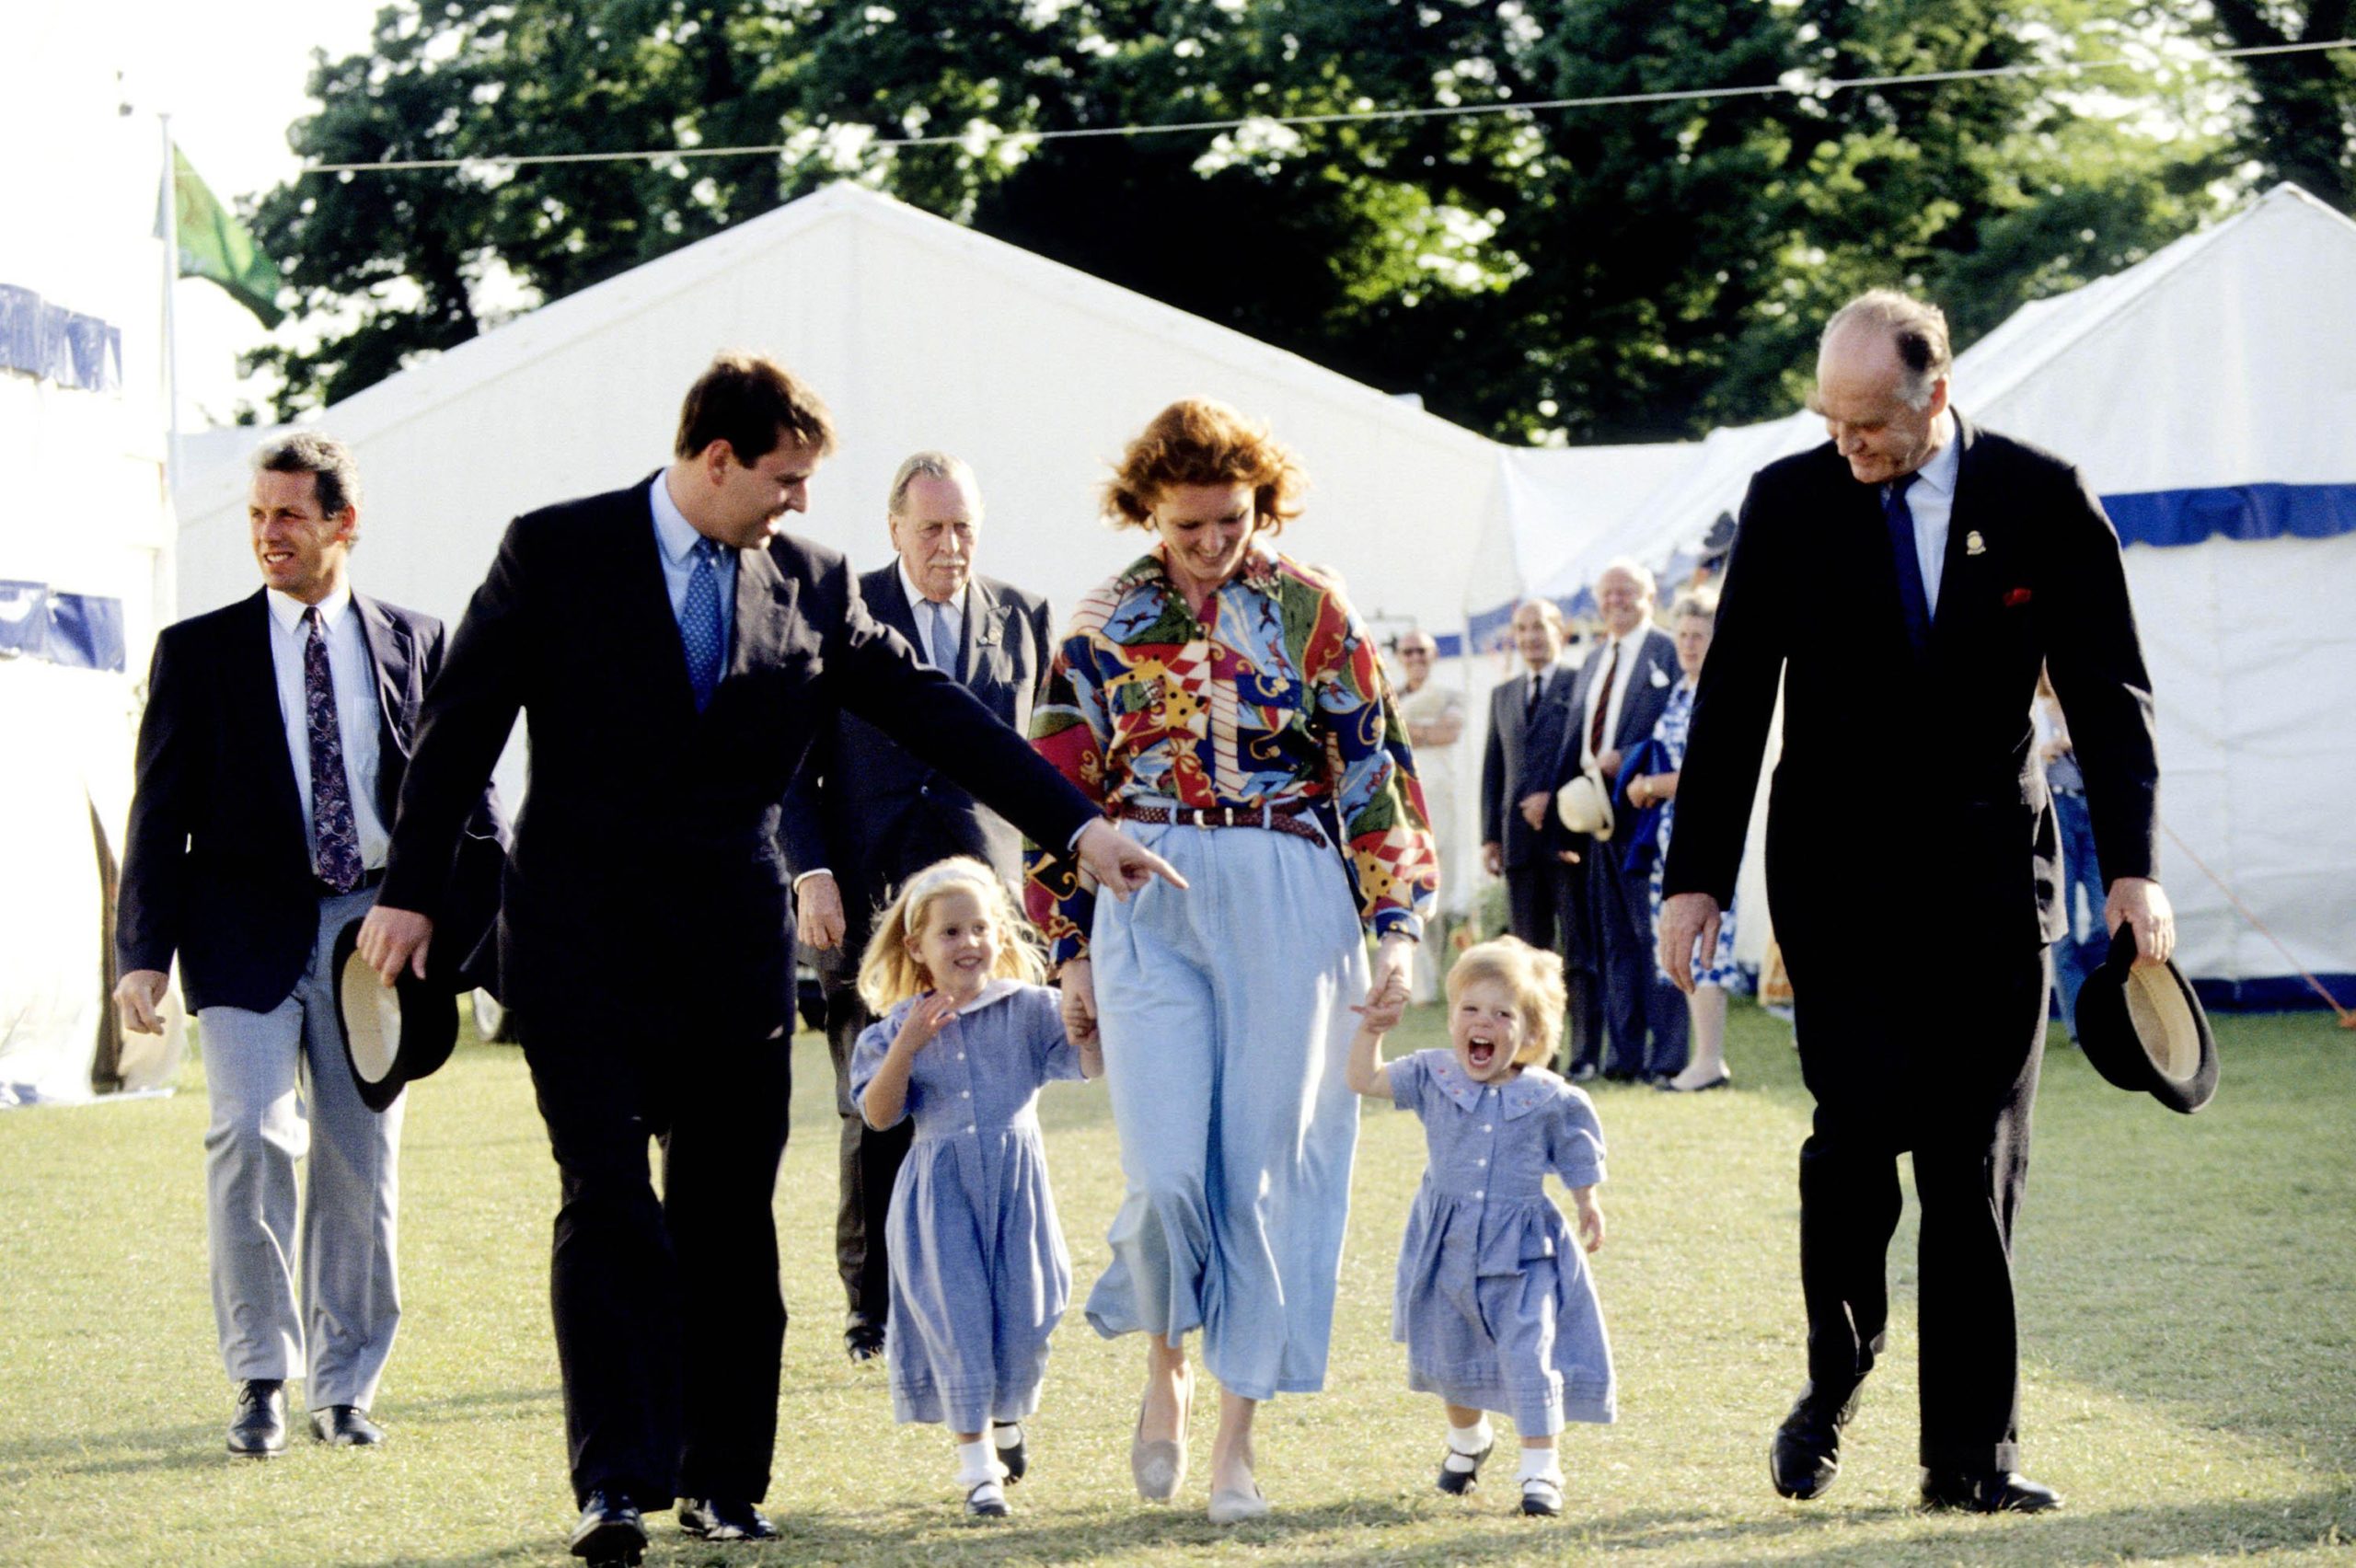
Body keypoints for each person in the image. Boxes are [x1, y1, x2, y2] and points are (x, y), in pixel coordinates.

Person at [353, 353, 1180, 1564]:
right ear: (716, 459)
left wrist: (1078, 826)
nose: (800, 501)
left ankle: (725, 1483)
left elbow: (935, 708)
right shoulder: (555, 549)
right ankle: (616, 1489)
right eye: (785, 479)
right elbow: (460, 722)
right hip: (578, 947)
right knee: (610, 1208)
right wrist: (412, 893)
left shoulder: (810, 581)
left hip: (733, 960)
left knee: (730, 1224)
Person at [1659, 291, 2169, 1515]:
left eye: (1870, 423)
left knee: (1974, 1164)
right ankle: (1837, 1377)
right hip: (1837, 886)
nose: (1850, 447)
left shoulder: (2043, 498)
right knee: (1851, 1154)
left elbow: (2109, 692)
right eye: (1830, 422)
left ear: (1933, 393)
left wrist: (2138, 870)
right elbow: (1732, 700)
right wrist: (1694, 881)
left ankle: (1968, 1464)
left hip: (1995, 881)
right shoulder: (1788, 503)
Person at [1027, 397, 1437, 1524]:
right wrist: (1067, 952)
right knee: (1164, 1170)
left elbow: (1374, 773)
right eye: (1190, 525)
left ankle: (1235, 1444)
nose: (1214, 546)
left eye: (1234, 522)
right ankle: (1163, 1353)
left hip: (1291, 892)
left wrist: (1393, 928)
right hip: (1146, 894)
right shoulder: (1100, 622)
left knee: (1267, 1170)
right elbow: (1053, 786)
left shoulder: (1313, 611)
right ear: (1147, 510)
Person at [114, 433, 491, 1456]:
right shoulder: (197, 652)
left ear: (342, 523)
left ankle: (346, 1389)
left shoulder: (417, 638)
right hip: (238, 933)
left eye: (288, 515)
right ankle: (260, 1378)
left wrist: (470, 941)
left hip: (375, 934)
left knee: (359, 1162)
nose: (266, 534)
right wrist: (140, 955)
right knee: (248, 1132)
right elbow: (158, 812)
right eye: (256, 515)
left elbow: (466, 797)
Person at [782, 451, 1055, 1364]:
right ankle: (874, 1310)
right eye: (932, 528)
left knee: (990, 1099)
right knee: (876, 1103)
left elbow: (1037, 761)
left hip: (984, 905)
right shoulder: (838, 608)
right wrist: (808, 871)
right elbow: (792, 762)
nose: (950, 546)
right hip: (866, 898)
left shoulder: (1022, 614)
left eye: (964, 526)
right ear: (894, 529)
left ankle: (980, 1287)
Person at [847, 857, 1100, 1520]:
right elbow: (877, 1116)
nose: (969, 944)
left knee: (1028, 1315)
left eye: (980, 928)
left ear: (1001, 935)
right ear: (917, 948)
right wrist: (907, 1044)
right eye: (950, 933)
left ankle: (1008, 1421)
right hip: (940, 1193)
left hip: (1020, 1188)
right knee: (955, 1319)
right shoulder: (892, 1028)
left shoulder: (1029, 1010)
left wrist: (1090, 1017)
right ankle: (977, 1469)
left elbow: (1089, 1063)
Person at [1345, 937, 1614, 1518]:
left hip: (1523, 1254)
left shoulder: (1547, 1098)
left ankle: (1542, 1472)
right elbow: (1364, 1080)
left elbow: (1576, 1150)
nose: (1483, 1023)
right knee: (1450, 1352)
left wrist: (1586, 1201)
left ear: (1531, 1034)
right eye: (1471, 1009)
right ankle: (1468, 1443)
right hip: (1446, 1247)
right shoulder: (1434, 1075)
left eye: (1503, 1014)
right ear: (1451, 1018)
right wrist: (1372, 1029)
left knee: (1528, 1352)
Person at [1559, 559, 1686, 1081]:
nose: (1615, 601)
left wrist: (1627, 757)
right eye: (1607, 592)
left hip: (1648, 812)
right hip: (1597, 819)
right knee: (1614, 939)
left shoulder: (1668, 653)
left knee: (1655, 938)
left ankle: (1668, 1057)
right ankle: (1622, 1056)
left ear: (1650, 596)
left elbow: (1681, 726)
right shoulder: (1591, 660)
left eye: (1626, 592)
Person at [1624, 588, 1740, 1092]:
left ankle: (1710, 1058)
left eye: (1699, 635)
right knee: (1677, 946)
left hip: (1709, 836)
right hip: (1669, 837)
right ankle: (1702, 1056)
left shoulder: (1719, 692)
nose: (1689, 645)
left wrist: (1648, 786)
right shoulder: (1677, 691)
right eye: (1684, 635)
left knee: (1710, 945)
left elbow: (1707, 772)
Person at [1480, 599, 1601, 1074]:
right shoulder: (1503, 694)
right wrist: (1490, 835)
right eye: (1522, 628)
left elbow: (1587, 756)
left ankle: (1586, 1054)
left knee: (1577, 954)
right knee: (1526, 957)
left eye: (1540, 628)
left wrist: (1554, 799)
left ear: (1560, 631)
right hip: (1519, 845)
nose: (1531, 637)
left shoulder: (1581, 684)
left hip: (1567, 837)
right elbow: (1494, 769)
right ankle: (1536, 1058)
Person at [1396, 628, 1467, 1002]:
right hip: (1401, 803)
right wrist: (1422, 730)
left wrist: (1407, 730)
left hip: (1440, 801)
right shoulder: (1390, 693)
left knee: (1441, 891)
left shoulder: (1450, 693)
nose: (1415, 658)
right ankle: (1418, 984)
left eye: (1421, 651)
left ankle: (1439, 975)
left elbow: (1449, 731)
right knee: (1408, 888)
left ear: (1434, 654)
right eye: (1408, 652)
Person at [2034, 668, 2104, 1043]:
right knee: (2061, 930)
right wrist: (2044, 753)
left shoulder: (2089, 704)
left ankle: (2101, 1003)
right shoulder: (2034, 707)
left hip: (2091, 813)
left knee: (2104, 924)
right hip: (2055, 809)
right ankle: (2083, 1027)